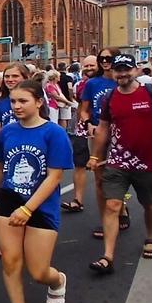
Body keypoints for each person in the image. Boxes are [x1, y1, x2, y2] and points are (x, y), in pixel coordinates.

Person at [0, 80, 73, 303]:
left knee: (38, 272)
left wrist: (28, 208)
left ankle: (57, 281)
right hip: (10, 199)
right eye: (13, 101)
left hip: (41, 205)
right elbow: (1, 168)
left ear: (39, 102)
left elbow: (55, 176)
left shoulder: (54, 133)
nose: (17, 106)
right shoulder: (8, 131)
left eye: (23, 101)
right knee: (11, 262)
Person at [87, 54, 152, 273]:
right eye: (118, 70)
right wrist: (95, 156)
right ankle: (107, 256)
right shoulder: (109, 98)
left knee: (149, 204)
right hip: (118, 161)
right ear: (113, 72)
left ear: (136, 70)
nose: (122, 74)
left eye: (126, 69)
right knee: (112, 205)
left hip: (148, 162)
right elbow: (103, 128)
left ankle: (151, 237)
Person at [80, 47, 126, 239]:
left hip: (123, 137)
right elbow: (84, 110)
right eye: (102, 58)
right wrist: (88, 123)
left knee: (120, 178)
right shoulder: (92, 84)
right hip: (99, 135)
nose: (106, 61)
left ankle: (121, 209)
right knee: (100, 180)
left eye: (110, 58)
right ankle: (105, 220)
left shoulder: (123, 81)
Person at [62, 55, 98, 213]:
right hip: (82, 129)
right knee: (79, 164)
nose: (89, 68)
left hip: (103, 129)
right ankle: (78, 200)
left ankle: (119, 206)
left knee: (105, 169)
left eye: (92, 65)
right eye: (86, 65)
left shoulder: (108, 82)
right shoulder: (80, 84)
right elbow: (80, 106)